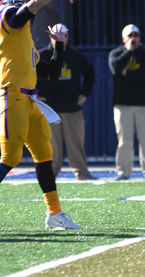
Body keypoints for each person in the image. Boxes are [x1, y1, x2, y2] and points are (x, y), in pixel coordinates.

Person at [0, 0, 83, 231]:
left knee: (44, 154)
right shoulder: (8, 26)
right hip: (11, 97)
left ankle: (55, 213)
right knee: (11, 157)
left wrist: (58, 44)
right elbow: (34, 4)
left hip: (29, 101)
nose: (20, 10)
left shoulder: (24, 40)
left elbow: (51, 73)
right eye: (15, 6)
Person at [37, 23, 96, 181]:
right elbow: (29, 74)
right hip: (49, 110)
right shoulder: (41, 54)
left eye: (64, 35)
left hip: (72, 109)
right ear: (50, 37)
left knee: (76, 144)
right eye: (56, 35)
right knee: (50, 146)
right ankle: (50, 174)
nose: (60, 38)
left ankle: (82, 172)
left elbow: (90, 74)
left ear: (68, 36)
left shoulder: (76, 56)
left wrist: (84, 94)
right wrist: (36, 94)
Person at [109, 24, 145, 181]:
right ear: (124, 39)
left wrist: (127, 73)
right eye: (130, 36)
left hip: (144, 104)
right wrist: (128, 52)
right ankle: (123, 173)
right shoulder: (116, 53)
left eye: (136, 35)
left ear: (140, 37)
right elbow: (116, 67)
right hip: (123, 105)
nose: (133, 39)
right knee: (124, 141)